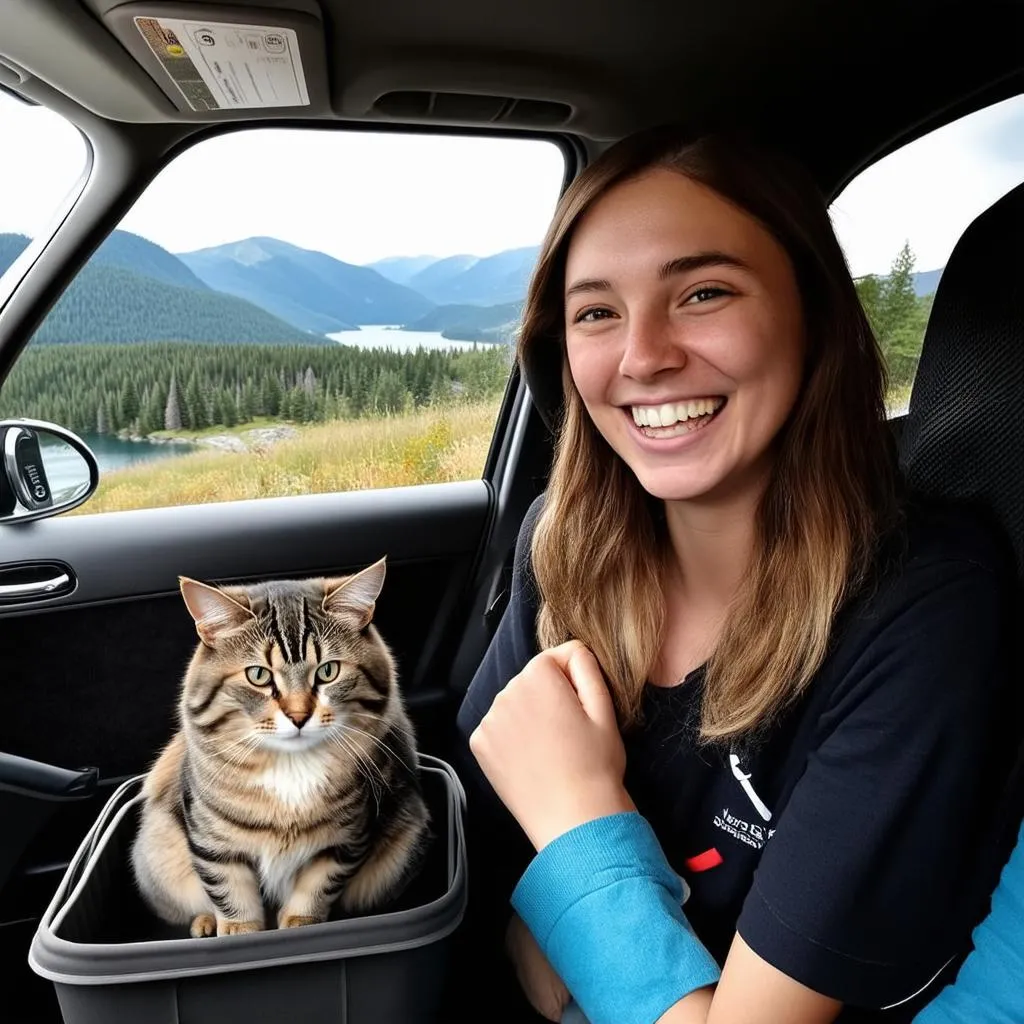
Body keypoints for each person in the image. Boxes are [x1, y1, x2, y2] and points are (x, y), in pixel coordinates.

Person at [453, 127, 1016, 1024]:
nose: (642, 357)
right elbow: (484, 856)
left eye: (703, 292)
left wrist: (575, 824)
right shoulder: (561, 549)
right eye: (596, 312)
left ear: (814, 314)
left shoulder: (924, 612)